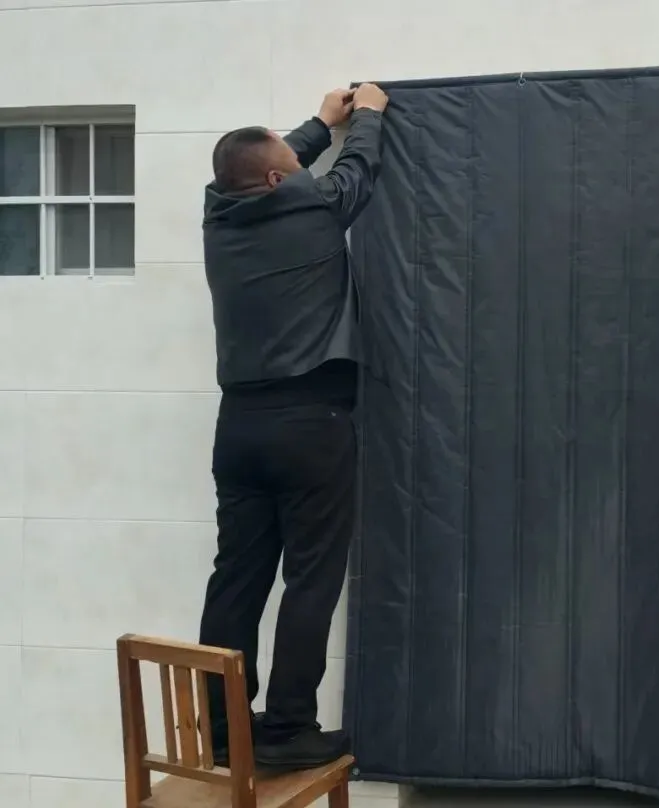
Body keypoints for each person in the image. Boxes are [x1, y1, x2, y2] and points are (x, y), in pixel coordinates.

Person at [198, 82, 389, 772]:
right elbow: (356, 174)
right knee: (310, 579)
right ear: (281, 183)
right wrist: (368, 117)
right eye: (294, 164)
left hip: (239, 427)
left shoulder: (217, 214)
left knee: (237, 579)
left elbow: (262, 168)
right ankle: (287, 729)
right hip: (310, 421)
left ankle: (222, 730)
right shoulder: (314, 209)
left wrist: (316, 125)